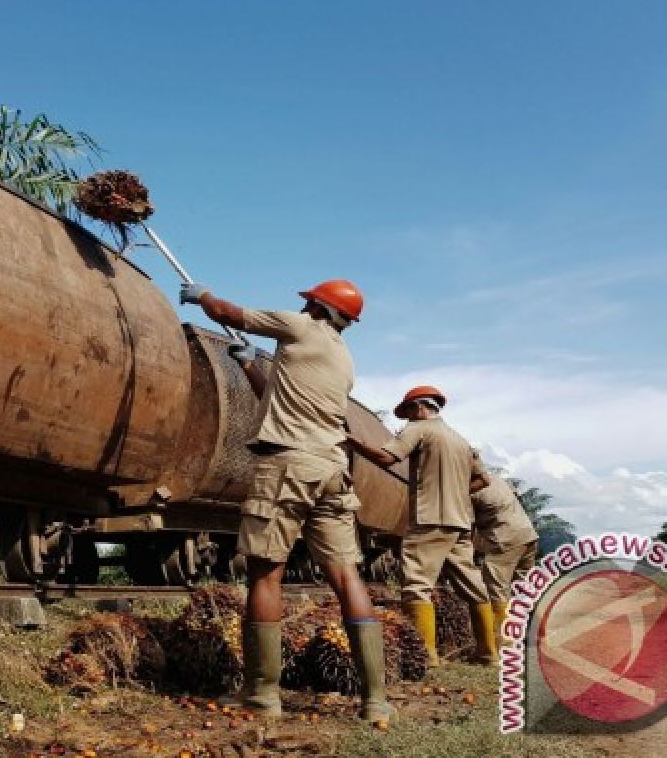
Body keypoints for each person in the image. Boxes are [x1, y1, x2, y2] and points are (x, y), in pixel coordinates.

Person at [179, 278, 394, 725]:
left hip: (287, 467)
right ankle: (375, 699)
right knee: (346, 575)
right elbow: (280, 399)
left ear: (317, 306)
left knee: (265, 572)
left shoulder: (299, 327)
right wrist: (249, 366)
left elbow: (228, 315)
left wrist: (201, 296)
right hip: (332, 470)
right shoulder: (341, 358)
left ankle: (262, 693)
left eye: (311, 302)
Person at [344, 386, 498, 667]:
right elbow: (483, 480)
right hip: (460, 522)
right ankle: (489, 653)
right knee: (473, 587)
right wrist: (454, 493)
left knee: (416, 584)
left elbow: (386, 458)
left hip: (430, 519)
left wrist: (351, 441)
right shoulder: (461, 441)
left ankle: (427, 657)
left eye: (407, 413)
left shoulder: (419, 429)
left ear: (418, 408)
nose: (407, 420)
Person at [469, 456, 538, 644]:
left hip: (505, 540)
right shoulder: (498, 481)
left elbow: (467, 526)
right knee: (523, 588)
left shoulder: (471, 492)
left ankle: (502, 640)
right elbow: (517, 496)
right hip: (528, 536)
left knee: (495, 589)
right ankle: (533, 633)